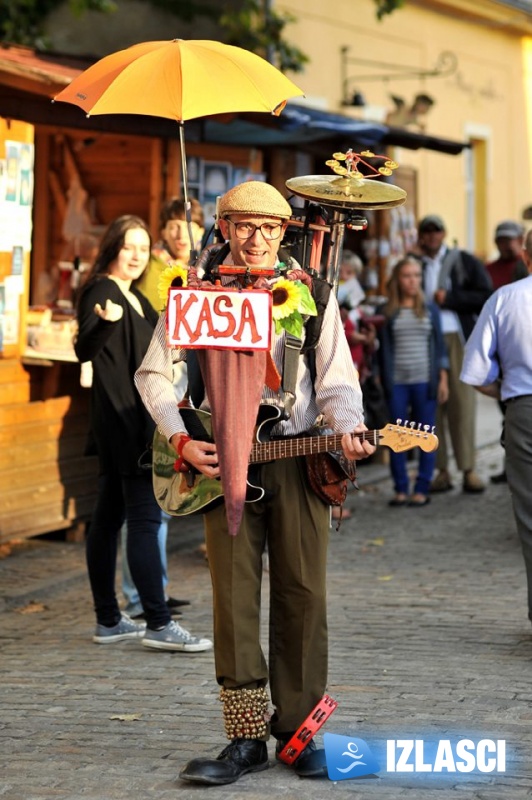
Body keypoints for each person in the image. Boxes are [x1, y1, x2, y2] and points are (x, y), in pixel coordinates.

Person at [135, 180, 375, 785]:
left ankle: (299, 728)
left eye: (270, 228)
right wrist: (183, 439)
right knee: (235, 598)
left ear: (284, 232)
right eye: (244, 226)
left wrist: (349, 427)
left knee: (304, 592)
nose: (257, 239)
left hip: (294, 455)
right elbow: (153, 376)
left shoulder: (313, 295)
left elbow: (337, 380)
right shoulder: (191, 294)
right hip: (222, 462)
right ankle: (244, 738)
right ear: (223, 229)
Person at [74, 214, 212, 653]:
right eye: (127, 246)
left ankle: (109, 620)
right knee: (145, 520)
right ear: (113, 245)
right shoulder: (103, 292)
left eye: (142, 247)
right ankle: (158, 621)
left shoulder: (135, 295)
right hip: (124, 423)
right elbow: (83, 348)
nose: (135, 255)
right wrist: (102, 322)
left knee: (109, 520)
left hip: (131, 420)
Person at [120, 197, 205, 619]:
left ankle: (157, 586)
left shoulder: (205, 274)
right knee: (148, 506)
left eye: (185, 225)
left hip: (189, 397)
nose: (178, 233)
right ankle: (141, 593)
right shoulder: (157, 272)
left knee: (165, 503)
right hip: (160, 388)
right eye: (172, 225)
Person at [460, 228, 532, 626]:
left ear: (524, 254)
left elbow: (473, 374)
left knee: (530, 519)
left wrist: (508, 392)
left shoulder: (505, 298)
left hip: (524, 410)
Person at [413, 214, 492, 494]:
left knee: (462, 404)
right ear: (421, 235)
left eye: (436, 231)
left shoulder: (463, 260)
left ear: (444, 233)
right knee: (433, 407)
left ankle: (468, 469)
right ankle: (441, 470)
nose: (432, 236)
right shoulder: (415, 264)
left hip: (458, 338)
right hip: (425, 339)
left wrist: (452, 299)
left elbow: (485, 294)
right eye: (427, 231)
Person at [377, 256, 449, 507]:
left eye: (417, 275)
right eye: (407, 275)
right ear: (398, 279)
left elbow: (440, 348)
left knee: (426, 435)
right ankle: (400, 488)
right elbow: (380, 350)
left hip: (424, 380)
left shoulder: (431, 310)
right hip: (396, 382)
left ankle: (422, 487)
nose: (412, 280)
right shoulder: (386, 311)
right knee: (396, 435)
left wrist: (443, 379)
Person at [484, 220, 528, 484]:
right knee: (509, 412)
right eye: (501, 239)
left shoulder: (522, 267)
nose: (506, 244)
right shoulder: (489, 270)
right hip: (503, 350)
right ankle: (511, 463)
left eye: (510, 239)